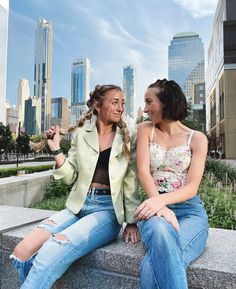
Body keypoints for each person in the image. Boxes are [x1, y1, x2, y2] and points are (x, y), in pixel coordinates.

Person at [10, 84, 140, 289]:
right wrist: (55, 149)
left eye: (122, 103)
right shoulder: (82, 133)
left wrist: (131, 221)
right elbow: (70, 177)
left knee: (52, 250)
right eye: (115, 103)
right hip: (77, 206)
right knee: (22, 250)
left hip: (107, 212)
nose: (120, 108)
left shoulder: (127, 136)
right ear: (97, 105)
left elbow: (131, 181)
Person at [135, 79, 209, 289]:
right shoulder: (145, 130)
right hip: (153, 209)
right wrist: (160, 207)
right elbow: (143, 172)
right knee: (159, 232)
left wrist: (162, 202)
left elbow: (192, 187)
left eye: (150, 102)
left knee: (151, 267)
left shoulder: (197, 139)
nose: (146, 108)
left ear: (166, 102)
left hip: (190, 211)